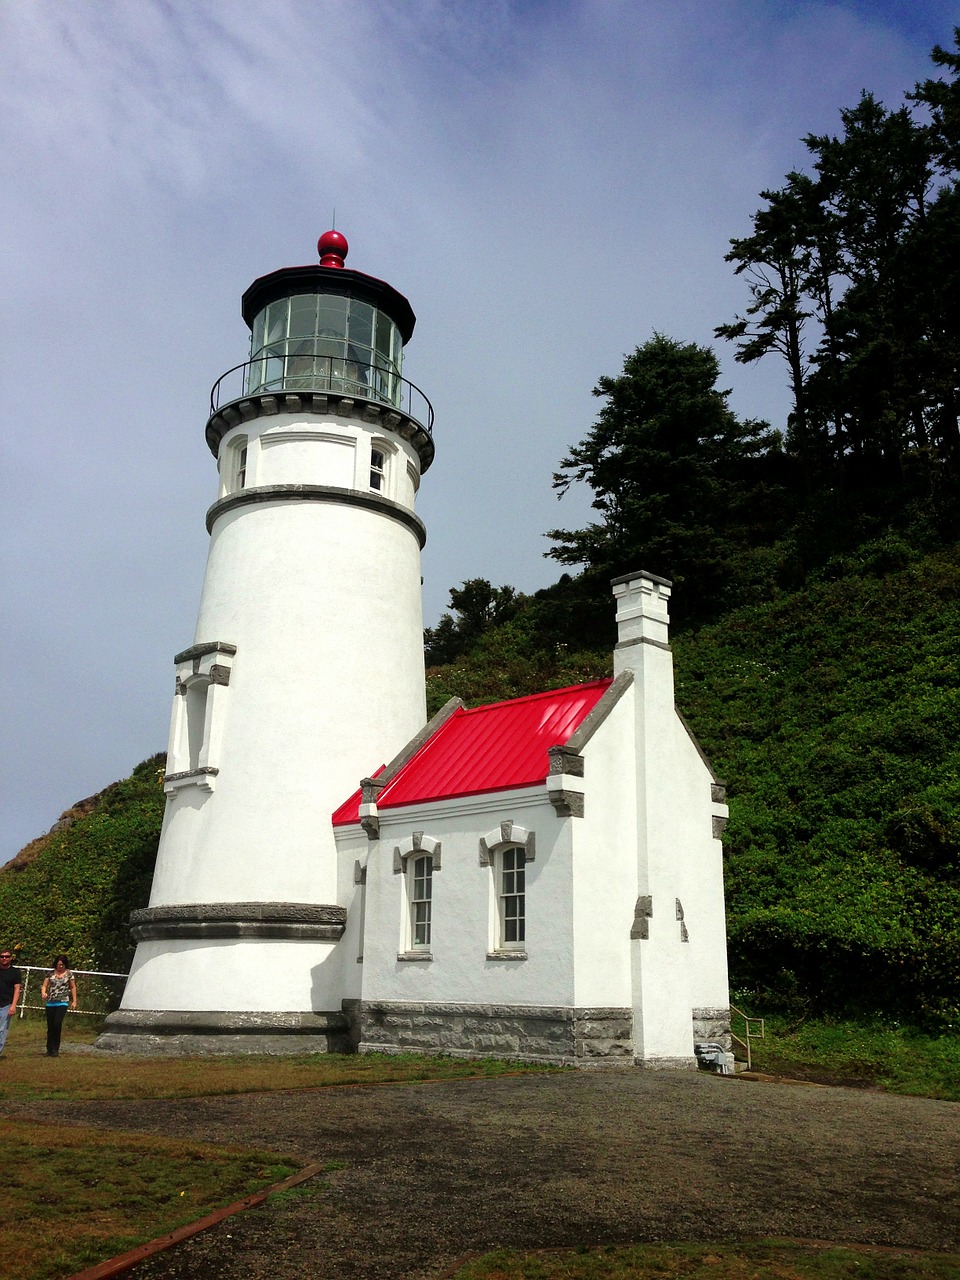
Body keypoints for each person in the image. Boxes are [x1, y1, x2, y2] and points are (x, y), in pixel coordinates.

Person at [40, 955, 77, 1058]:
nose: (60, 967)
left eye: (62, 965)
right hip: (51, 1002)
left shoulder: (69, 974)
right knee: (50, 1026)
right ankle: (49, 1048)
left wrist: (74, 1001)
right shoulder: (50, 974)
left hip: (62, 1002)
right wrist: (43, 993)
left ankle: (55, 1048)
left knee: (57, 1023)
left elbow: (73, 987)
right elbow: (45, 985)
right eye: (58, 964)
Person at [0, 949, 22, 1057]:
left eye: (7, 956)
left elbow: (17, 989)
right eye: (2, 956)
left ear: (11, 958)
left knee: (1, 1030)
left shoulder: (15, 972)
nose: (4, 958)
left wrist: (13, 1005)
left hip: (6, 1004)